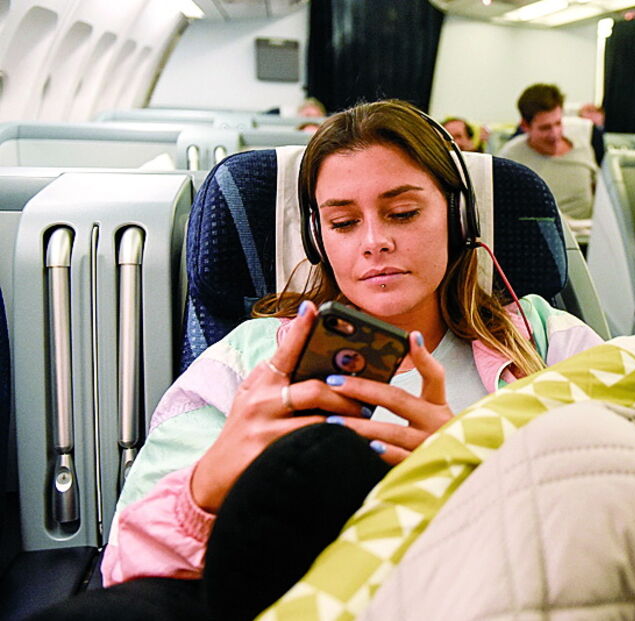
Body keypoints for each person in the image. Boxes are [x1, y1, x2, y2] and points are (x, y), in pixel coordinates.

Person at [32, 100, 602, 620]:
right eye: (344, 223)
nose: (374, 241)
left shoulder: (547, 346)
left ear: (457, 219)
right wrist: (209, 484)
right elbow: (128, 572)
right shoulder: (248, 363)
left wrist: (479, 480)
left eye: (402, 213)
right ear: (317, 237)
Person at [497, 83, 599, 245]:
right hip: (542, 244)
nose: (555, 134)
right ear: (525, 126)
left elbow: (597, 190)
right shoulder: (510, 158)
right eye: (545, 128)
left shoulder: (583, 146)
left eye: (558, 123)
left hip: (591, 241)